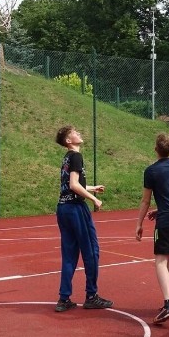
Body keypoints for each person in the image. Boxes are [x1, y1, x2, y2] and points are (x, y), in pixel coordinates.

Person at [54, 125, 114, 312]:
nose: (78, 132)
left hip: (63, 208)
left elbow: (69, 184)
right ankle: (91, 295)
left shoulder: (66, 158)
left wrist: (91, 188)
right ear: (68, 141)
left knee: (69, 254)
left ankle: (64, 298)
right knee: (91, 251)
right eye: (74, 132)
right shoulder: (76, 156)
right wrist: (94, 198)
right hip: (75, 208)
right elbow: (73, 185)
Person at [135, 133, 169, 324]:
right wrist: (162, 208)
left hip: (167, 219)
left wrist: (139, 223)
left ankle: (168, 305)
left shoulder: (151, 171)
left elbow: (145, 200)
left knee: (160, 260)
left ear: (155, 149)